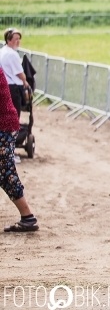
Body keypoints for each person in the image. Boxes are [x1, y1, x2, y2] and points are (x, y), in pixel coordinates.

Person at [1, 66, 39, 232]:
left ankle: (28, 217)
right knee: (5, 173)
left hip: (3, 127)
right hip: (5, 125)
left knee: (6, 173)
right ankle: (27, 217)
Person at [0, 28, 30, 117]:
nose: (18, 41)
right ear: (8, 40)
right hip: (12, 87)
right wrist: (25, 81)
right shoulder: (12, 54)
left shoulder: (2, 51)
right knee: (14, 115)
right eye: (16, 39)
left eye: (19, 39)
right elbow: (19, 73)